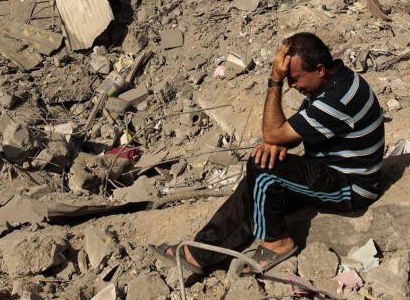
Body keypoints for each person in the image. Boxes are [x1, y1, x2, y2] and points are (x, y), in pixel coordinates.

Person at [152, 33, 385, 276]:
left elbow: (275, 133)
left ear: (319, 69)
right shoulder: (333, 82)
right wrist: (277, 140)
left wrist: (274, 81)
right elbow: (286, 134)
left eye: (294, 79)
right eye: (287, 80)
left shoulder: (339, 98)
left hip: (352, 188)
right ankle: (200, 254)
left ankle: (277, 242)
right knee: (256, 180)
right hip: (331, 170)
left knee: (262, 168)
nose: (292, 87)